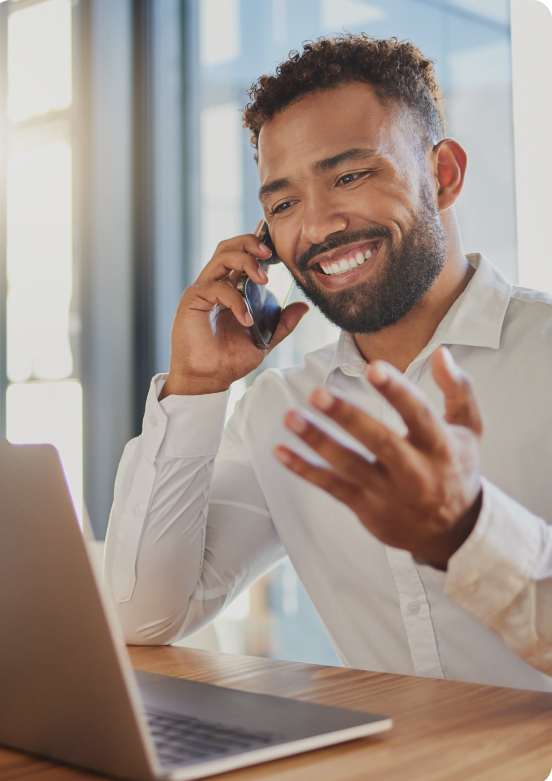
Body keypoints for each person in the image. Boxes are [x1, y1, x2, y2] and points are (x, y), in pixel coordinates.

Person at [104, 35, 552, 691]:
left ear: (444, 175)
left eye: (349, 175)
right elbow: (140, 615)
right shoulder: (283, 412)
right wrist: (194, 387)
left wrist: (469, 534)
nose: (314, 227)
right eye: (282, 204)